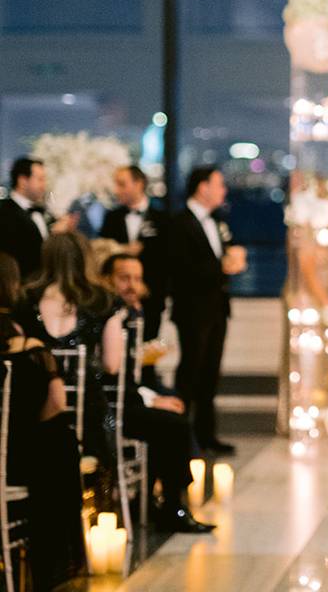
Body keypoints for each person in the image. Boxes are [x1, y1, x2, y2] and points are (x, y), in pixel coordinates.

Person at [101, 253, 215, 533]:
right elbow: (112, 376)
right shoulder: (108, 315)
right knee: (173, 424)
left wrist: (153, 397)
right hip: (108, 408)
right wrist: (152, 399)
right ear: (107, 280)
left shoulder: (133, 313)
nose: (132, 285)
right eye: (124, 278)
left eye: (137, 279)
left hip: (125, 397)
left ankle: (158, 498)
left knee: (173, 411)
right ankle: (172, 505)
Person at [14, 233, 124, 518]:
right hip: (88, 420)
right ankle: (99, 516)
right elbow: (113, 365)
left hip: (38, 415)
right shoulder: (103, 300)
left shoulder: (25, 299)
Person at [0, 252, 85, 591]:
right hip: (13, 464)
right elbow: (56, 404)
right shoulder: (29, 349)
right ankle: (52, 561)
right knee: (59, 440)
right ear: (12, 287)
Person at [168, 166, 246, 456]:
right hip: (192, 310)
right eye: (219, 184)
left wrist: (235, 258)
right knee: (190, 373)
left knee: (210, 375)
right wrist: (222, 265)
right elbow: (181, 269)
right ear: (202, 187)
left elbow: (225, 253)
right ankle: (181, 438)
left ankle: (206, 436)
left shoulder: (218, 221)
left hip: (217, 308)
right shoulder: (180, 223)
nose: (223, 190)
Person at [100, 165, 170, 340]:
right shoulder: (112, 218)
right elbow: (102, 255)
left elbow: (169, 260)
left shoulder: (162, 219)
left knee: (147, 352)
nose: (117, 190)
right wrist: (121, 250)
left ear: (139, 184)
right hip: (116, 299)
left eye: (122, 184)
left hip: (151, 299)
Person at [0, 156, 74, 280]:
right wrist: (54, 236)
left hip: (43, 282)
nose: (44, 185)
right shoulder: (4, 213)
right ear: (23, 180)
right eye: (40, 179)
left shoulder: (44, 211)